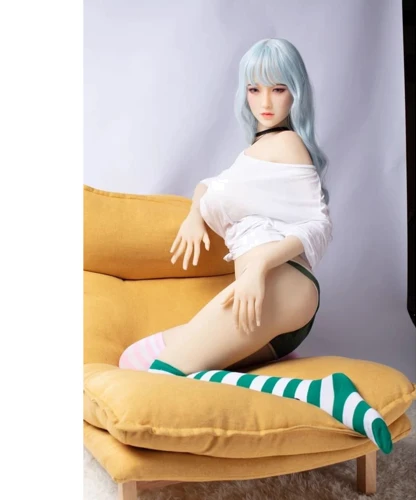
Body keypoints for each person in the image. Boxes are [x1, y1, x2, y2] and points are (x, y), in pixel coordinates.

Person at [119, 38, 393, 454]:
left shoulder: (287, 143)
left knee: (159, 377)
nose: (265, 101)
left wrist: (260, 265)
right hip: (270, 302)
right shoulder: (256, 151)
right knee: (135, 361)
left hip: (277, 285)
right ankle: (315, 392)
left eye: (278, 89)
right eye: (254, 89)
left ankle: (323, 394)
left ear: (295, 93)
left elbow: (319, 224)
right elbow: (211, 186)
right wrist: (194, 214)